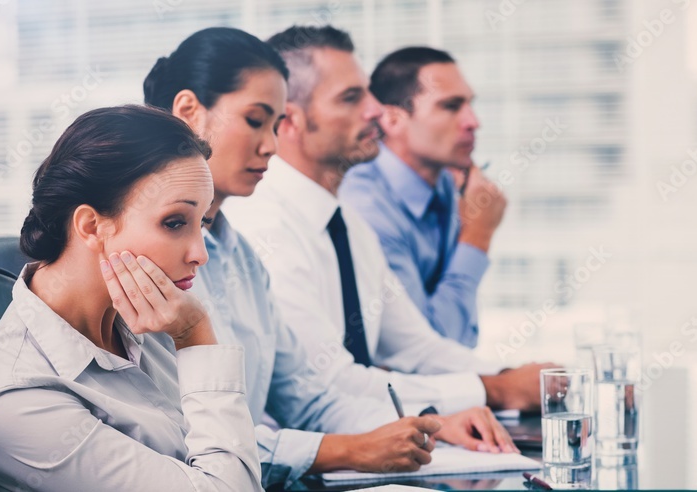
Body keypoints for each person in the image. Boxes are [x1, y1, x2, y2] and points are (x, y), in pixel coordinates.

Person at [143, 27, 517, 488]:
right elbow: (178, 437)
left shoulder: (242, 257)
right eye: (256, 121)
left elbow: (310, 396)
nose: (271, 146)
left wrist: (430, 420)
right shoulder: (150, 257)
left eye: (274, 124)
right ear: (189, 112)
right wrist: (350, 449)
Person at [223, 25, 549, 420]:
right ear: (289, 121)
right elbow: (329, 384)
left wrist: (516, 377)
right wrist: (493, 390)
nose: (376, 111)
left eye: (369, 94)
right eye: (350, 97)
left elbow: (416, 346)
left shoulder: (347, 224)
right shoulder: (264, 226)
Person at [0, 105, 263, 490]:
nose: (199, 253)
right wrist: (195, 336)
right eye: (174, 223)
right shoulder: (19, 401)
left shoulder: (149, 315)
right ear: (91, 226)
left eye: (201, 222)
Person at [339, 46, 507, 348]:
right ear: (391, 121)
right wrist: (478, 235)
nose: (473, 121)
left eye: (469, 104)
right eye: (451, 106)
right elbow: (429, 347)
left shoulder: (447, 184)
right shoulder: (366, 207)